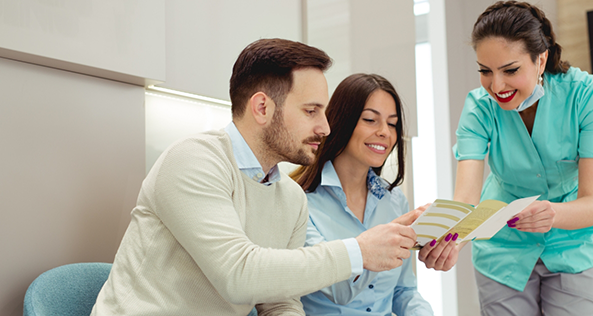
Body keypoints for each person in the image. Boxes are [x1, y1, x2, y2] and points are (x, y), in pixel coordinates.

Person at [91, 38, 420, 316]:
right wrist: (358, 252)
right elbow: (238, 275)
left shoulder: (289, 197)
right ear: (262, 108)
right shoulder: (194, 161)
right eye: (311, 111)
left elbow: (280, 301)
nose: (326, 127)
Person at [452, 1, 593, 315]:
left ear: (540, 60)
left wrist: (550, 214)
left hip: (575, 243)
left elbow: (592, 204)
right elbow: (466, 198)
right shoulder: (478, 107)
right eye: (485, 71)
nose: (496, 86)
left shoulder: (586, 95)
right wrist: (451, 238)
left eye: (510, 70)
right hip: (502, 246)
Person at [292, 74, 446, 315]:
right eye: (370, 120)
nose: (385, 132)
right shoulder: (299, 201)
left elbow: (403, 291)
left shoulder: (395, 201)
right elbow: (339, 290)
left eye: (392, 123)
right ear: (341, 121)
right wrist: (382, 243)